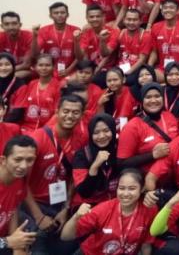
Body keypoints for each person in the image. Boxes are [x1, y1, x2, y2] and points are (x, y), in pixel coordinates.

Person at [24, 94, 87, 255]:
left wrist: (66, 208)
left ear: (82, 115)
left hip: (60, 203)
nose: (70, 116)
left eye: (75, 112)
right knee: (39, 245)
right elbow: (22, 181)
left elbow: (74, 177)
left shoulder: (81, 139)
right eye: (66, 111)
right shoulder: (38, 138)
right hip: (35, 203)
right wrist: (38, 216)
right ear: (57, 111)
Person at [61, 168, 157, 255]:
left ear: (142, 189)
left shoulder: (150, 210)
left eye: (132, 188)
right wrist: (76, 217)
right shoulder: (102, 210)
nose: (125, 194)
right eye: (121, 188)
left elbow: (146, 244)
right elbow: (65, 236)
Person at [117, 83, 179, 172]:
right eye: (148, 97)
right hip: (146, 176)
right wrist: (152, 155)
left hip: (174, 173)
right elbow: (122, 164)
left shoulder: (170, 117)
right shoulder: (132, 126)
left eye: (157, 96)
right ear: (142, 101)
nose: (153, 100)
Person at [72, 113, 120, 208]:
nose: (101, 136)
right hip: (88, 205)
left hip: (114, 203)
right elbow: (84, 192)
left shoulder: (120, 150)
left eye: (106, 130)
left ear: (113, 130)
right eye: (96, 132)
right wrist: (95, 166)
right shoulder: (82, 155)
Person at [0, 135, 38, 254]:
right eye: (18, 159)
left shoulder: (19, 178)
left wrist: (17, 246)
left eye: (29, 160)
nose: (24, 166)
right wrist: (7, 242)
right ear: (3, 160)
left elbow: (13, 209)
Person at [12, 54, 61, 132]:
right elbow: (22, 108)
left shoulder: (58, 86)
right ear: (35, 67)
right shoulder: (31, 84)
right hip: (26, 127)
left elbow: (57, 113)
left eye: (47, 65)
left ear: (53, 67)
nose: (44, 68)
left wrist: (46, 129)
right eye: (40, 65)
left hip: (47, 129)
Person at [148, 0, 179, 79]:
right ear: (162, 11)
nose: (168, 10)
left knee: (177, 79)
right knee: (148, 77)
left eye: (171, 8)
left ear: (178, 10)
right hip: (162, 69)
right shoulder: (155, 27)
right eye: (165, 8)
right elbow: (154, 52)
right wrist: (148, 67)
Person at [74, 5, 119, 82]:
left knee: (94, 80)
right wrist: (76, 42)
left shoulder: (113, 32)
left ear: (103, 17)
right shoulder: (86, 34)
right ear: (87, 18)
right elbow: (80, 57)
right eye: (91, 17)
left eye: (98, 16)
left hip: (108, 69)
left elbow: (106, 54)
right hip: (91, 69)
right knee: (70, 82)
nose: (95, 19)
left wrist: (102, 40)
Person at [34, 2, 80, 79]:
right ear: (50, 15)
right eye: (56, 13)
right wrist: (34, 37)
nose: (59, 15)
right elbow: (35, 53)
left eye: (62, 12)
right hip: (49, 71)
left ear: (67, 15)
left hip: (71, 71)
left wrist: (69, 70)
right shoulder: (43, 31)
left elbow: (80, 56)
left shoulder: (76, 30)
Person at [115, 8, 152, 77]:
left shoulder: (145, 36)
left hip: (137, 69)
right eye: (129, 19)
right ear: (124, 20)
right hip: (120, 67)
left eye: (135, 20)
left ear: (140, 21)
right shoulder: (121, 33)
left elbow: (142, 60)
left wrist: (127, 73)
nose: (131, 22)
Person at [0, 11, 33, 78]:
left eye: (14, 23)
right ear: (2, 26)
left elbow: (26, 65)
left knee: (18, 75)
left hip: (24, 70)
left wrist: (6, 71)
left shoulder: (28, 36)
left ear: (20, 25)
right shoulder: (0, 37)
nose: (11, 27)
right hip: (4, 70)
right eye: (6, 24)